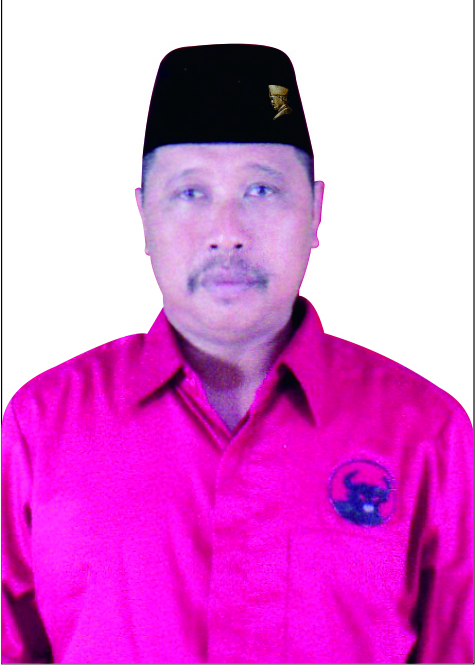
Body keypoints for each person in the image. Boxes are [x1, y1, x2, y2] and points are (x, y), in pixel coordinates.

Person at [2, 44, 472, 665]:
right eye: (190, 192)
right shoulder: (44, 425)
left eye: (261, 189)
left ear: (317, 211)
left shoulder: (423, 432)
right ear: (143, 216)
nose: (227, 231)